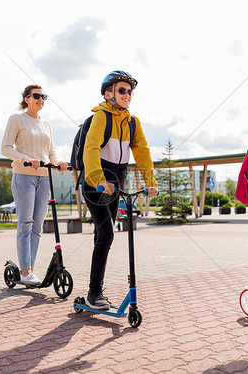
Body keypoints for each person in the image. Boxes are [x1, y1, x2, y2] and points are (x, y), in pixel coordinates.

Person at [81, 70, 158, 309]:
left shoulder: (133, 122)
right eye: (122, 90)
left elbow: (142, 151)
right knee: (106, 234)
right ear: (108, 94)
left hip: (117, 183)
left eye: (130, 91)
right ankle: (94, 294)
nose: (127, 95)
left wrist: (150, 181)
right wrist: (98, 179)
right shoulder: (101, 117)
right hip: (97, 184)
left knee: (102, 235)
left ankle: (95, 291)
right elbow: (91, 147)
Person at [1, 84, 69, 285]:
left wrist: (59, 163)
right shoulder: (16, 119)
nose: (41, 99)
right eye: (37, 96)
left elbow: (51, 153)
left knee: (38, 225)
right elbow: (5, 148)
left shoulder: (46, 124)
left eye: (43, 96)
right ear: (26, 99)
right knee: (26, 224)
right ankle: (23, 271)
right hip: (24, 176)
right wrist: (25, 159)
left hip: (44, 177)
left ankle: (30, 269)